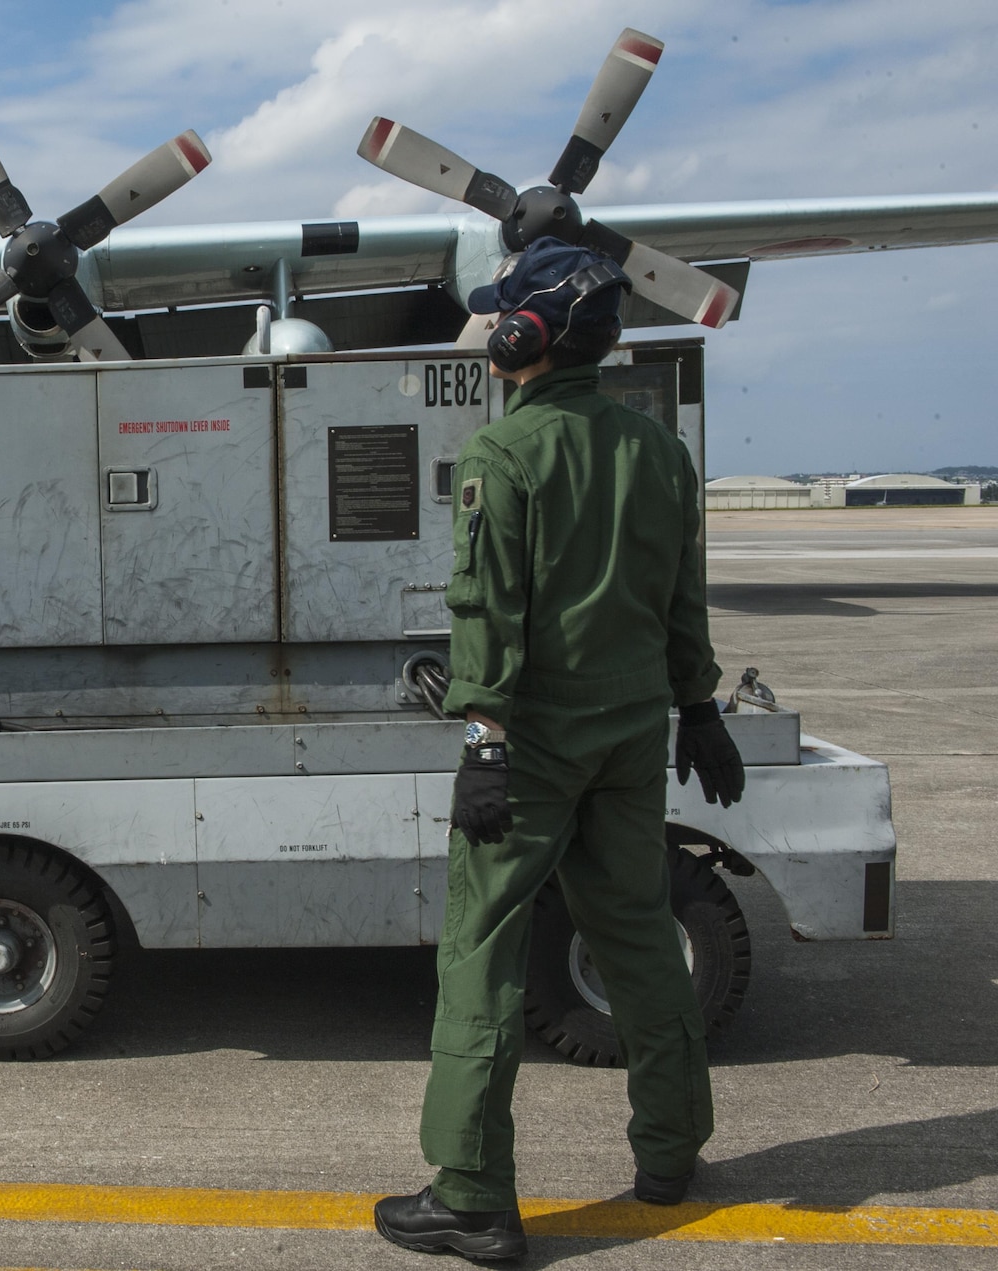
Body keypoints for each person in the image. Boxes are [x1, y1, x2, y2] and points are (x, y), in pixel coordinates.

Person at [373, 237, 747, 1262]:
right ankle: (670, 1150)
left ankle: (471, 1196)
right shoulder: (657, 450)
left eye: (504, 316)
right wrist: (699, 706)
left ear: (528, 334)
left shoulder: (505, 454)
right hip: (631, 734)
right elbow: (680, 597)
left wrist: (483, 737)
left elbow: (487, 610)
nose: (495, 328)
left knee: (480, 952)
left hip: (532, 740)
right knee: (634, 933)